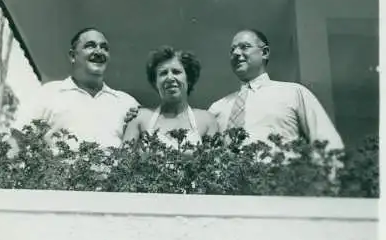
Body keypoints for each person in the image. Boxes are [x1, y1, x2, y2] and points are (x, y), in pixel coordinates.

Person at [7, 27, 140, 155]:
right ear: (72, 56)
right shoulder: (49, 93)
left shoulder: (126, 103)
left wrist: (139, 119)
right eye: (90, 46)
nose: (99, 52)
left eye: (104, 48)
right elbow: (17, 142)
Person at [208, 29, 344, 152]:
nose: (236, 53)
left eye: (244, 47)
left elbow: (327, 144)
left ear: (265, 52)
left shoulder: (294, 93)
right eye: (232, 50)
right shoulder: (217, 108)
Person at [123, 46, 218, 149]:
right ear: (155, 83)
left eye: (176, 72)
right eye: (163, 73)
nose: (170, 78)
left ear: (189, 79)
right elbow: (122, 161)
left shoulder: (206, 120)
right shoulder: (140, 118)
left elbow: (216, 163)